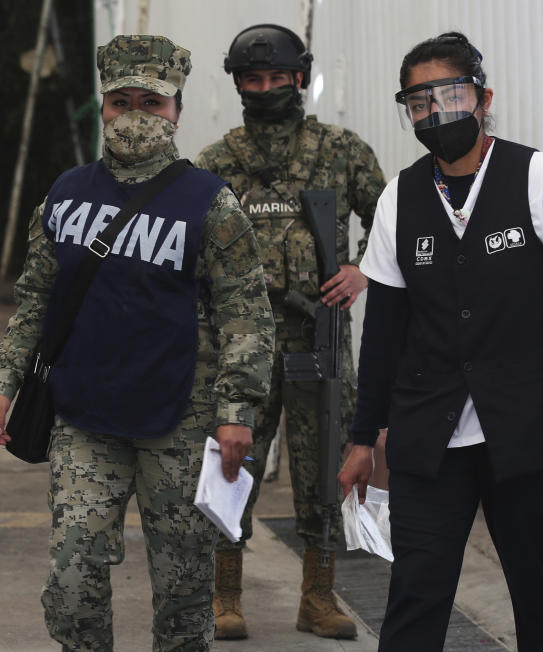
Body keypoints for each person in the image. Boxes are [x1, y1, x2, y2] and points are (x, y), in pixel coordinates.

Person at [337, 32, 543, 652]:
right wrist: (364, 438)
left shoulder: (537, 177)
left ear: (483, 97)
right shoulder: (399, 199)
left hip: (524, 428)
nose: (435, 114)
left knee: (539, 589)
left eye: (450, 95)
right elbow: (382, 332)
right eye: (418, 103)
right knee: (416, 591)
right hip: (428, 431)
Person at [0, 34, 274, 651]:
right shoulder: (65, 194)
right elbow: (34, 297)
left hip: (180, 421)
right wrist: (1, 382)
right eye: (120, 101)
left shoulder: (210, 204)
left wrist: (236, 415)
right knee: (72, 572)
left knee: (184, 591)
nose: (135, 116)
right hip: (84, 416)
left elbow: (246, 314)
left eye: (152, 102)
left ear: (177, 111)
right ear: (103, 106)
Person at [195, 23, 386, 640]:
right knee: (232, 459)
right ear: (239, 84)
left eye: (279, 78)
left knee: (325, 462)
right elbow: (191, 247)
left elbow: (393, 220)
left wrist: (360, 270)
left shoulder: (341, 150)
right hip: (242, 343)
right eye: (254, 79)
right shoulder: (218, 161)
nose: (268, 88)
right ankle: (225, 597)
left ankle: (318, 596)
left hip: (319, 334)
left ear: (301, 77)